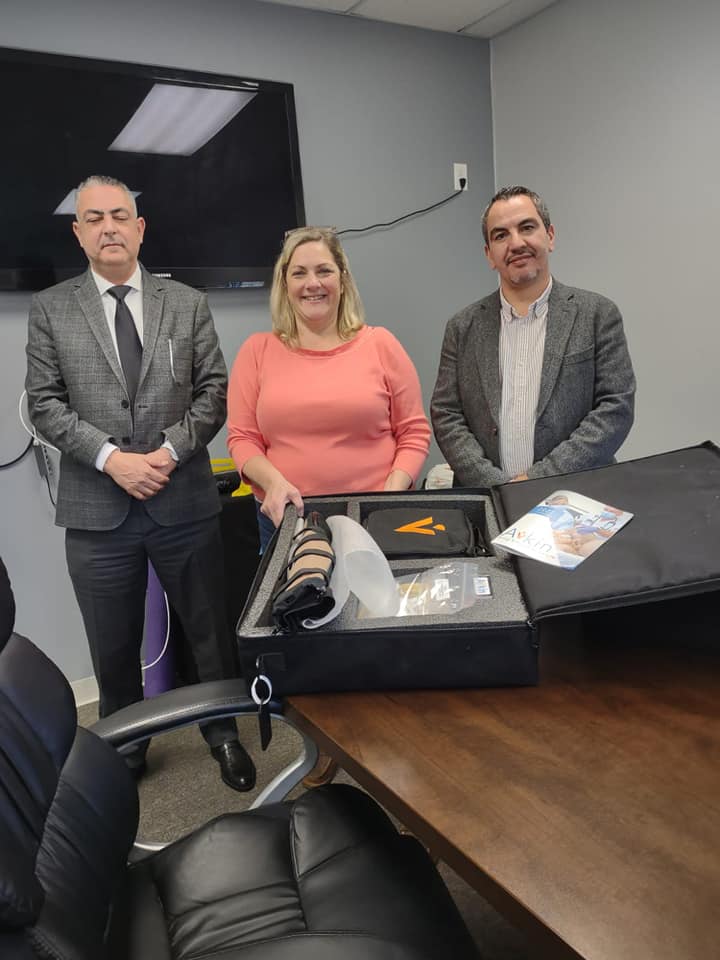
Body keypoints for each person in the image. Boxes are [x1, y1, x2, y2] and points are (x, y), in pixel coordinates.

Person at [25, 175, 255, 791]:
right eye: (94, 218)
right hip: (96, 511)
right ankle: (124, 753)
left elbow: (214, 393)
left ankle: (224, 734)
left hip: (183, 501)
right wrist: (111, 459)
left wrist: (169, 452)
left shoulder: (187, 303)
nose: (109, 228)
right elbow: (44, 404)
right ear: (78, 233)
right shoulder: (51, 309)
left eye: (120, 216)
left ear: (140, 227)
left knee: (209, 633)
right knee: (113, 646)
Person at [227, 226, 431, 549]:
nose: (313, 283)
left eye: (324, 271)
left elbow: (413, 433)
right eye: (299, 273)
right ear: (285, 284)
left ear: (342, 279)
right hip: (287, 519)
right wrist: (273, 483)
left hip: (375, 518)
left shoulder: (381, 344)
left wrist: (389, 495)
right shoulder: (256, 351)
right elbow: (242, 439)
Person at [431, 185, 636, 487]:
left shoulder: (597, 314)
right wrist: (497, 486)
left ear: (550, 236)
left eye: (527, 227)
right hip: (489, 498)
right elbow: (447, 415)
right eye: (501, 235)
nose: (516, 243)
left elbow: (615, 409)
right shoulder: (462, 327)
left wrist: (535, 481)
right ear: (489, 255)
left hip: (578, 496)